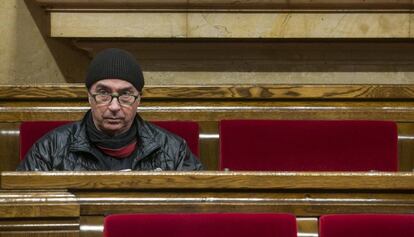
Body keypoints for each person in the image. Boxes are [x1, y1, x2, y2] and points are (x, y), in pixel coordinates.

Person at [17, 48, 203, 171]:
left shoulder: (174, 150)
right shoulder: (49, 149)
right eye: (103, 94)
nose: (114, 107)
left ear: (139, 100)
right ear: (89, 97)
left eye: (125, 95)